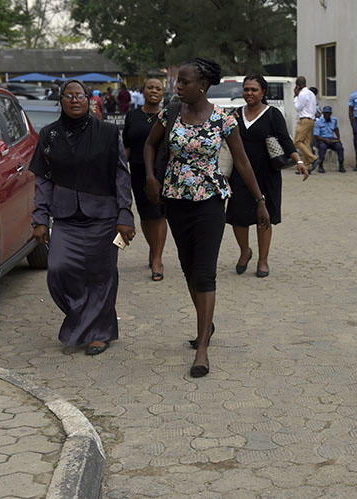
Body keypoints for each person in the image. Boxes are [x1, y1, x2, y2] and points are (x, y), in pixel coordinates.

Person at [143, 58, 269, 378]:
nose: (178, 87)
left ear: (202, 85)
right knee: (188, 270)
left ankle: (202, 347)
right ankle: (206, 322)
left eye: (184, 82)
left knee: (205, 272)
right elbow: (149, 145)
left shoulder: (224, 120)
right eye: (178, 82)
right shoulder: (170, 113)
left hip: (211, 201)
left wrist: (260, 201)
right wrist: (150, 177)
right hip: (175, 200)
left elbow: (241, 163)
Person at [29, 79, 135, 356]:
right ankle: (83, 320)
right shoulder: (49, 135)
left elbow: (121, 176)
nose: (75, 100)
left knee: (102, 275)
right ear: (61, 100)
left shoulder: (108, 133)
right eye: (69, 96)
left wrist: (126, 214)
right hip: (65, 218)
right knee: (59, 270)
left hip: (104, 217)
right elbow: (43, 179)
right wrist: (40, 217)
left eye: (80, 96)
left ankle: (100, 333)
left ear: (89, 100)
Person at [226, 75, 309, 279]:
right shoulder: (235, 114)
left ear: (263, 92)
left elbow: (285, 140)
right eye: (246, 89)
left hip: (267, 174)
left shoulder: (273, 114)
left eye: (254, 90)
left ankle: (263, 260)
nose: (249, 93)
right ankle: (245, 251)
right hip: (240, 174)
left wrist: (298, 161)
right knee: (238, 217)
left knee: (264, 216)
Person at [122, 78, 168, 281]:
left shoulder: (168, 116)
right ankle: (153, 249)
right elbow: (127, 146)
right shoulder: (132, 116)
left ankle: (157, 258)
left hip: (161, 172)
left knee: (159, 214)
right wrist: (121, 171)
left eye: (158, 88)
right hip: (138, 171)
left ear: (162, 93)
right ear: (143, 91)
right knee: (146, 215)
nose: (154, 91)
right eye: (150, 87)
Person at [293, 76, 318, 170]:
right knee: (305, 143)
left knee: (297, 142)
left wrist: (295, 96)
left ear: (298, 86)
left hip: (305, 120)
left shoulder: (302, 94)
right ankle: (307, 167)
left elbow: (298, 107)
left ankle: (313, 158)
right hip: (311, 119)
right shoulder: (311, 93)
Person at [313, 105, 344, 173]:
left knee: (339, 146)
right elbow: (316, 135)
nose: (327, 114)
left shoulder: (334, 120)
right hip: (322, 140)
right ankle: (321, 166)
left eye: (329, 113)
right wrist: (325, 140)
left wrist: (338, 138)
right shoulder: (318, 122)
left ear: (331, 113)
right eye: (326, 113)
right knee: (322, 147)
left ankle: (341, 165)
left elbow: (336, 128)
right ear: (323, 113)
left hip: (331, 139)